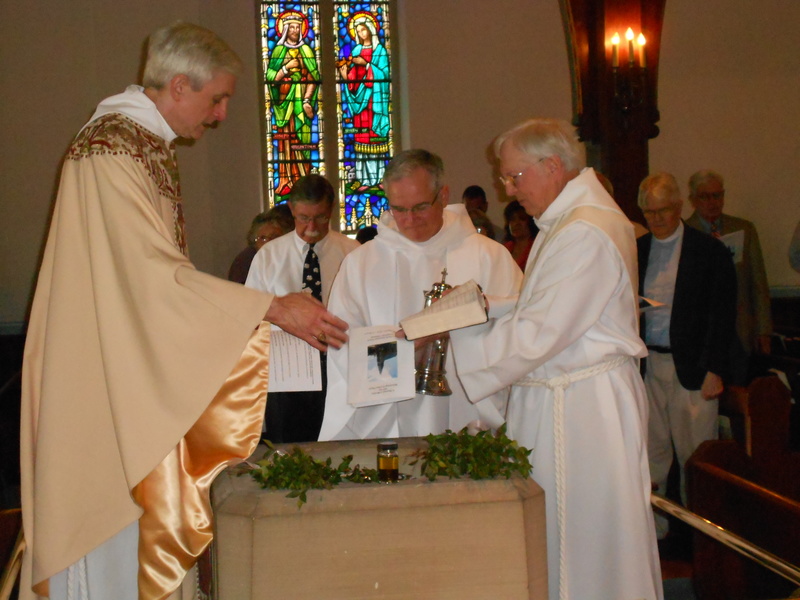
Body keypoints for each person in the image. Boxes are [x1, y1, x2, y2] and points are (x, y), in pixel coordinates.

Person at [19, 23, 348, 600]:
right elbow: (147, 278)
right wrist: (270, 307)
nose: (220, 115)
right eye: (216, 98)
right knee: (115, 536)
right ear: (177, 85)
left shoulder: (139, 146)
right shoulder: (110, 151)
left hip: (128, 361)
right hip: (104, 379)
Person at [449, 119, 662, 600]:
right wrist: (482, 308)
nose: (508, 189)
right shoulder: (569, 219)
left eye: (514, 176)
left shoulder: (585, 229)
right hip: (568, 399)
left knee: (585, 542)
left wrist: (456, 344)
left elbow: (542, 331)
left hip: (582, 411)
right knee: (562, 537)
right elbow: (542, 305)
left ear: (551, 166)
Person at [318, 149, 522, 441]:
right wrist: (409, 345)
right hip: (388, 422)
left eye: (420, 207)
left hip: (469, 416)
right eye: (398, 209)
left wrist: (466, 327)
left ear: (443, 196)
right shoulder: (361, 264)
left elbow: (519, 333)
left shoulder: (488, 256)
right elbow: (343, 351)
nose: (409, 219)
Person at [637, 173, 737, 539]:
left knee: (696, 456)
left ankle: (704, 539)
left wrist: (715, 368)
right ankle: (656, 535)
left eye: (662, 211)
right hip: (650, 365)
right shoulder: (639, 249)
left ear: (679, 207)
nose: (656, 219)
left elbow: (722, 314)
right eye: (648, 212)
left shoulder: (707, 251)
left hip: (694, 368)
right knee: (652, 453)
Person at [246, 175, 359, 443]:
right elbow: (250, 311)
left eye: (319, 218)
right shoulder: (269, 256)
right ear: (292, 210)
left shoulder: (352, 253)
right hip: (286, 378)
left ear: (331, 210)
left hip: (339, 370)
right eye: (303, 217)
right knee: (287, 450)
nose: (310, 227)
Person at [685, 170, 772, 382]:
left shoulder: (743, 229)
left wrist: (763, 330)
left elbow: (758, 282)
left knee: (741, 393)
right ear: (693, 200)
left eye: (718, 195)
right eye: (705, 196)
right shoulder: (685, 232)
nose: (713, 202)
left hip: (739, 328)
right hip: (703, 333)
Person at [266, 10, 320, 197]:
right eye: (292, 27)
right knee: (285, 143)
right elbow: (271, 78)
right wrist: (286, 68)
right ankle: (286, 180)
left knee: (301, 141)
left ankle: (304, 180)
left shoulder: (306, 51)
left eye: (299, 27)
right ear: (285, 29)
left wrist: (307, 100)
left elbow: (314, 77)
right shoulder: (279, 51)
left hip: (301, 106)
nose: (296, 30)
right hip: (283, 105)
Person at [337, 12, 391, 189]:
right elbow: (354, 76)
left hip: (375, 101)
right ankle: (365, 179)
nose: (361, 34)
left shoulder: (380, 51)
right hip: (360, 101)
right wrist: (346, 75)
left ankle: (381, 178)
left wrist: (366, 65)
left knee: (376, 138)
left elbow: (383, 74)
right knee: (362, 139)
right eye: (358, 31)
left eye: (363, 30)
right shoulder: (356, 51)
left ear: (370, 30)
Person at [227, 204, 294, 284]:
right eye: (263, 238)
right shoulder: (246, 263)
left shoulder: (293, 260)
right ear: (255, 243)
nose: (268, 242)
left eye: (275, 237)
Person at [501, 199, 539, 270]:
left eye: (522, 219)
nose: (516, 223)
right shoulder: (504, 248)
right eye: (512, 219)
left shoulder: (537, 246)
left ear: (530, 222)